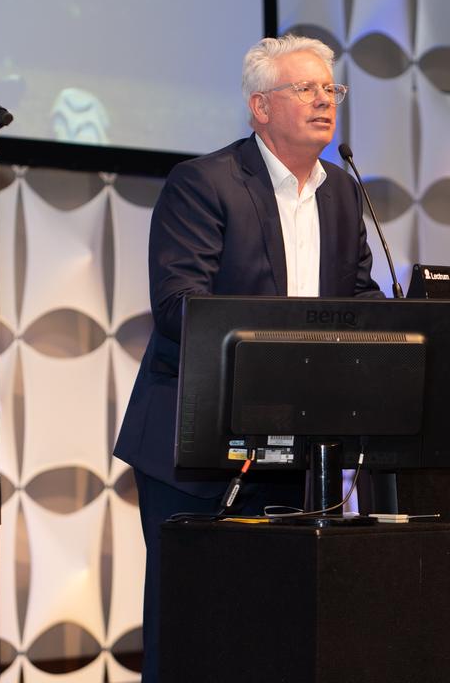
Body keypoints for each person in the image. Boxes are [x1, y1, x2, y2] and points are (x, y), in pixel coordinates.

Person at [113, 34, 384, 682]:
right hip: (199, 447)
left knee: (279, 629)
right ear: (260, 107)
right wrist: (288, 349)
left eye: (332, 89)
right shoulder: (204, 183)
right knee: (195, 627)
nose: (325, 100)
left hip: (299, 450)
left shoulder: (343, 192)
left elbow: (360, 300)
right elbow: (181, 306)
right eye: (306, 89)